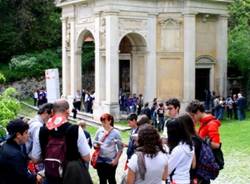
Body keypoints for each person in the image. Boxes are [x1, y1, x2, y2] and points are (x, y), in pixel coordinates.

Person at [32, 99, 91, 184]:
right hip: (71, 176)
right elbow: (87, 157)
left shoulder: (41, 130)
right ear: (68, 111)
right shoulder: (76, 129)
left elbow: (35, 158)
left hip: (51, 176)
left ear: (52, 111)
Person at [0, 119, 43, 184]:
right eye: (26, 132)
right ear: (18, 135)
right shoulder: (15, 155)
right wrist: (36, 177)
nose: (28, 135)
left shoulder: (5, 145)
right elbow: (23, 178)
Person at [94, 113, 123, 184]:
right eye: (102, 122)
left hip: (111, 160)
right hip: (100, 160)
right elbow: (94, 143)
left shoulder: (116, 133)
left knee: (111, 179)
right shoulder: (99, 131)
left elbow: (120, 148)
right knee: (102, 180)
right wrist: (96, 145)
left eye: (105, 122)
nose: (103, 124)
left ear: (110, 121)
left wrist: (116, 160)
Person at [166, 117, 195, 184]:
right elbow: (193, 165)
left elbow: (167, 171)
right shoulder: (190, 145)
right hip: (186, 179)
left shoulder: (178, 149)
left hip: (176, 180)